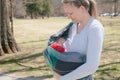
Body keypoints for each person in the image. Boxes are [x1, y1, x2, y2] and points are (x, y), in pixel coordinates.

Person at [52, 0, 104, 80]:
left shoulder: (94, 28)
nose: (68, 17)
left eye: (71, 13)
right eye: (67, 14)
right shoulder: (74, 26)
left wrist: (63, 78)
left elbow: (91, 66)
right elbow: (69, 51)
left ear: (82, 9)